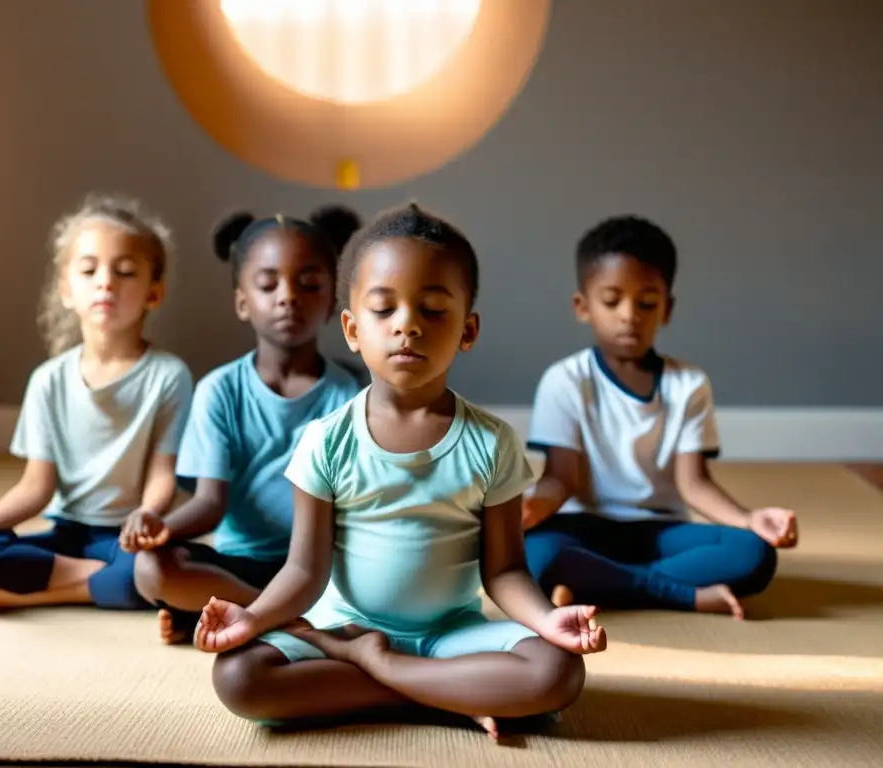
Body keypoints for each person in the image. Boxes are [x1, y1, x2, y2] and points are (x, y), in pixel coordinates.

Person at [193, 203, 606, 740]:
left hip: (448, 634)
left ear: (468, 329)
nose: (407, 324)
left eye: (433, 310)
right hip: (342, 628)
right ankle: (443, 694)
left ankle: (384, 670)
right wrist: (254, 618)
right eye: (384, 310)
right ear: (351, 328)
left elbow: (503, 571)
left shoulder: (492, 442)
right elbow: (303, 571)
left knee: (558, 671)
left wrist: (546, 621)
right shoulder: (326, 440)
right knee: (239, 676)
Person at [522, 214, 798, 620]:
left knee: (754, 554)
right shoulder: (564, 380)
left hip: (661, 531)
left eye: (646, 302)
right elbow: (562, 478)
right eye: (612, 301)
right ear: (582, 306)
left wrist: (748, 518)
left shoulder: (688, 384)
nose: (629, 315)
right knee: (534, 554)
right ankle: (683, 594)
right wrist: (529, 509)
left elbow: (694, 483)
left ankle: (598, 584)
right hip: (586, 528)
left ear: (666, 309)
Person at [0, 194, 193, 615]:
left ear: (153, 293)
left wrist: (146, 516)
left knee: (157, 569)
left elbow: (163, 474)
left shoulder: (168, 375)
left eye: (124, 271)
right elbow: (36, 487)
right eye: (89, 270)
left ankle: (47, 593)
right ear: (67, 290)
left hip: (128, 537)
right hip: (67, 533)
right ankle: (93, 580)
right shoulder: (48, 380)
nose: (106, 281)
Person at [127, 207, 364, 644]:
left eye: (309, 283)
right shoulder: (219, 390)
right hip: (243, 565)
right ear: (242, 301)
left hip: (321, 570)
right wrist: (159, 523)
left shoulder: (349, 394)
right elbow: (210, 504)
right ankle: (278, 616)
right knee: (149, 569)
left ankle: (245, 615)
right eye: (268, 284)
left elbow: (354, 512)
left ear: (332, 301)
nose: (287, 296)